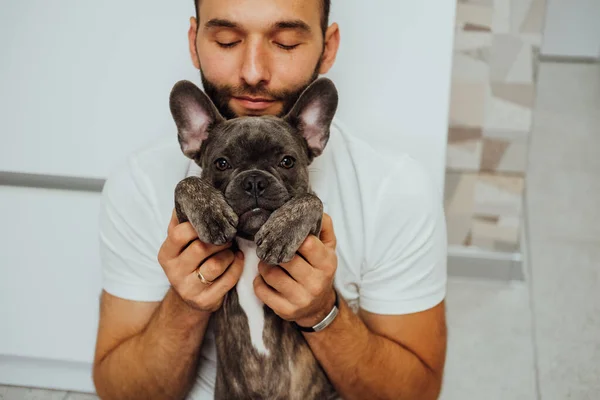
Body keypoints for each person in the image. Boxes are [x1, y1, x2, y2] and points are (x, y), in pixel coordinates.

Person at [92, 0, 448, 399]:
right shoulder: (138, 184)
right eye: (227, 41)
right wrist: (185, 304)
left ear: (327, 48)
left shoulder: (395, 189)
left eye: (287, 43)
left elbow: (416, 393)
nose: (254, 71)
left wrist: (322, 313)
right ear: (194, 42)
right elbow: (118, 391)